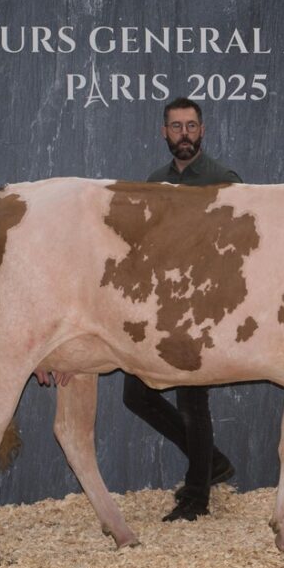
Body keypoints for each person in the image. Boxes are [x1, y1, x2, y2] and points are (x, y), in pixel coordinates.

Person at [123, 96, 240, 522]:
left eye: (191, 126)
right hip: (162, 306)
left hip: (204, 306)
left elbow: (240, 246)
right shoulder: (153, 183)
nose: (184, 135)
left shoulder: (224, 180)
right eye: (176, 127)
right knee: (135, 394)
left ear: (203, 131)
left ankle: (196, 496)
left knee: (193, 400)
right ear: (164, 133)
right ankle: (213, 463)